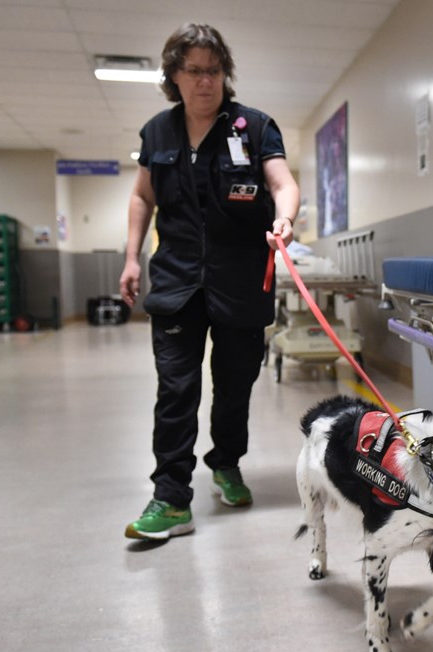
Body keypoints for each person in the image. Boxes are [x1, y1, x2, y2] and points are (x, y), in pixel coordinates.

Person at [120, 23, 300, 540]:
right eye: (195, 71)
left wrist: (284, 219)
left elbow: (282, 182)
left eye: (214, 70)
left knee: (235, 383)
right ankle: (171, 497)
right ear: (174, 75)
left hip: (242, 278)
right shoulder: (157, 132)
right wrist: (132, 257)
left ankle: (226, 462)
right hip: (176, 280)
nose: (206, 81)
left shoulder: (254, 126)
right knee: (176, 387)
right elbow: (141, 197)